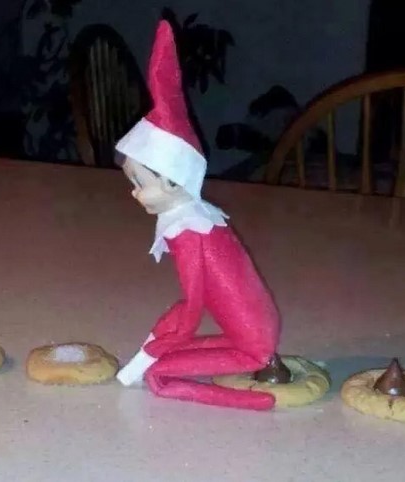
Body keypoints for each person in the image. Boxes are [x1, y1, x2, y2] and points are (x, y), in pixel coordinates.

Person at [114, 20, 280, 411]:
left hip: (253, 346)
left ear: (173, 183)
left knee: (158, 375)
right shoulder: (200, 218)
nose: (134, 192)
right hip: (256, 328)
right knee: (165, 357)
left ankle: (255, 402)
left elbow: (190, 310)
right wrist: (161, 336)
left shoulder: (188, 231)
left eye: (140, 182)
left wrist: (154, 349)